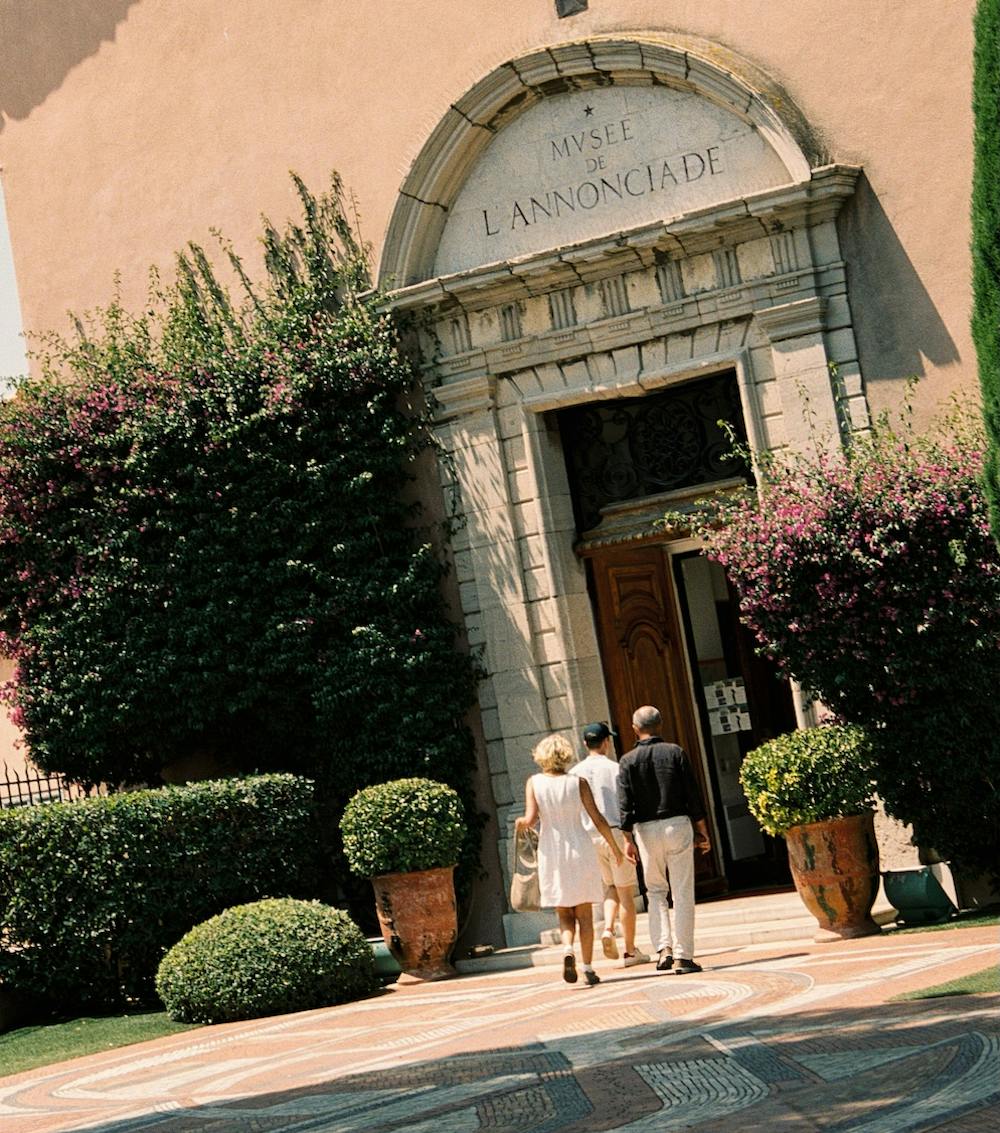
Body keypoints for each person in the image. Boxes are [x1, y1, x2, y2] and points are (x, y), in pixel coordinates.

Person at [515, 733, 625, 986]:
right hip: (579, 849)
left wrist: (521, 824)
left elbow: (530, 819)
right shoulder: (579, 782)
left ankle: (568, 949)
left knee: (564, 913)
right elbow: (597, 818)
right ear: (565, 755)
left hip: (551, 852)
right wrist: (615, 849)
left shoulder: (534, 782)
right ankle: (587, 967)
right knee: (585, 915)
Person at [617, 705, 712, 975]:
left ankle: (663, 949)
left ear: (635, 728)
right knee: (682, 891)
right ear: (660, 725)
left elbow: (624, 804)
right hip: (677, 824)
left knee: (655, 890)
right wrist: (702, 828)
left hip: (645, 829)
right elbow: (692, 794)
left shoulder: (627, 761)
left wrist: (627, 839)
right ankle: (683, 955)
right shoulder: (675, 752)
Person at [570, 721, 650, 968]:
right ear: (606, 742)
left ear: (585, 744)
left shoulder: (574, 773)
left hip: (589, 836)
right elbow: (628, 803)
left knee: (609, 887)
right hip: (614, 832)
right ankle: (629, 950)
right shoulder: (616, 768)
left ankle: (607, 928)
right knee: (626, 892)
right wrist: (629, 838)